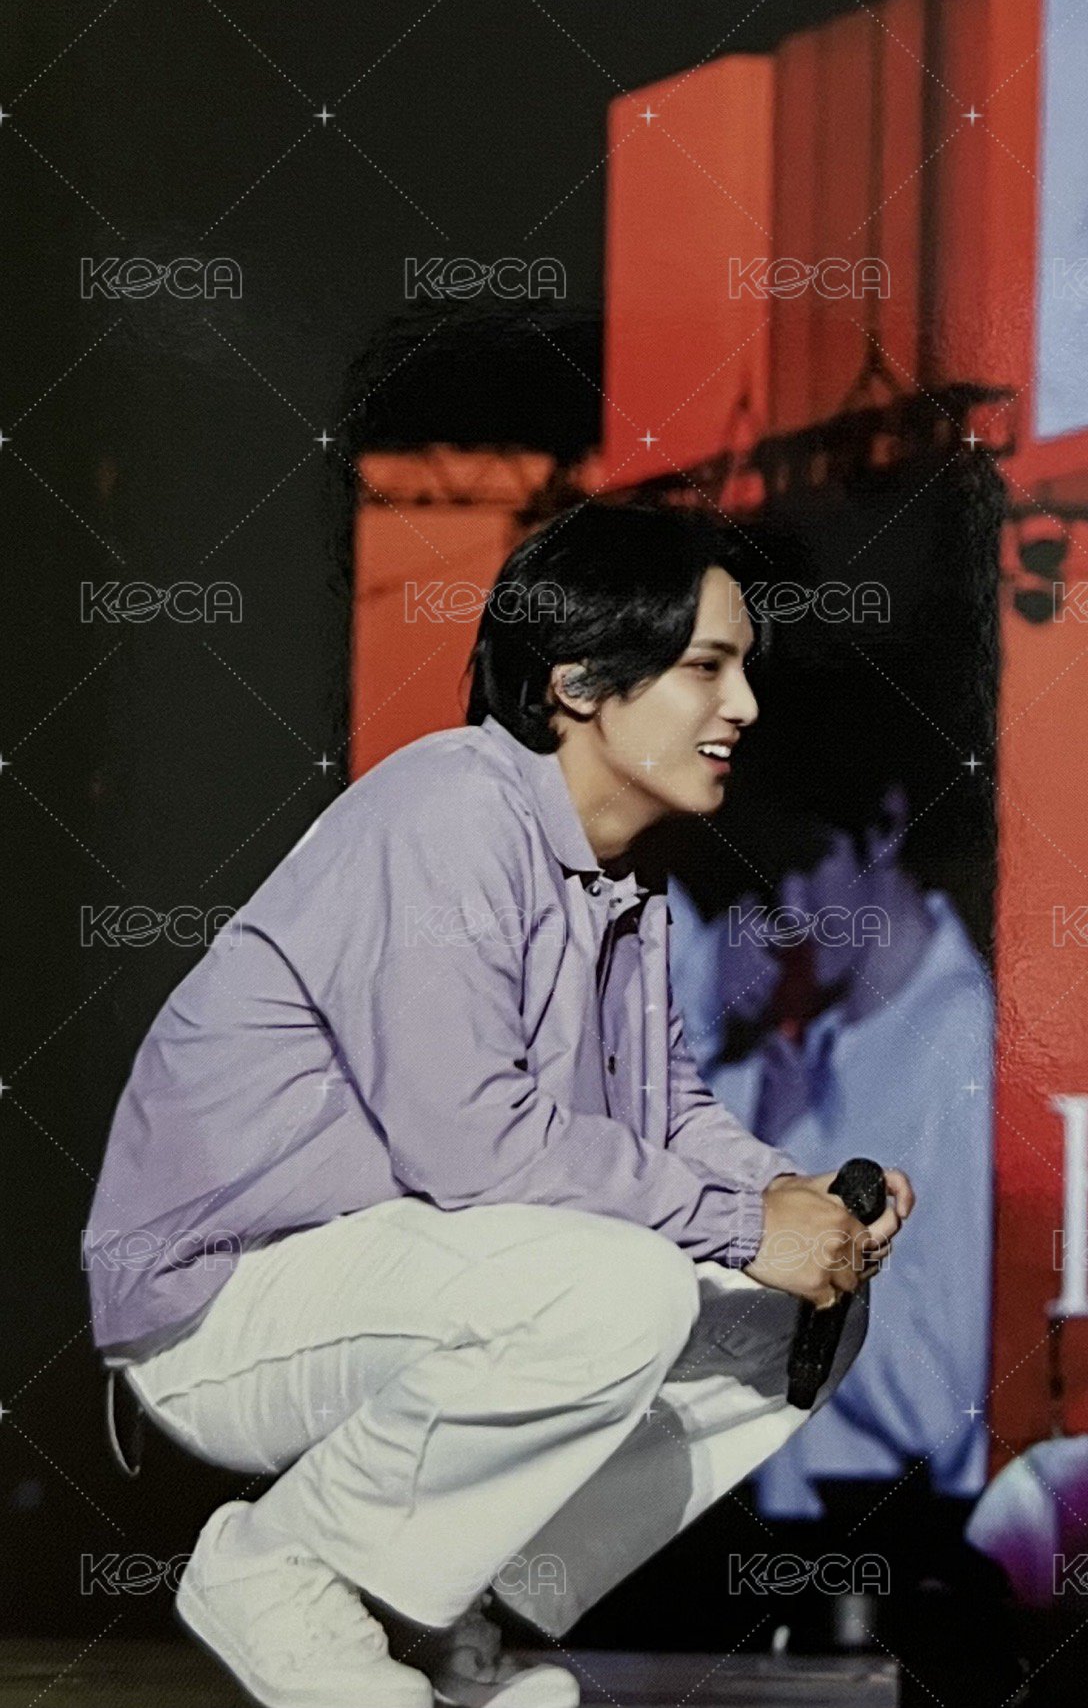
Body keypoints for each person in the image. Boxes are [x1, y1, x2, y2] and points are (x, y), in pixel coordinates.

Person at [84, 502, 914, 1708]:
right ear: (577, 684)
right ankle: (279, 1576)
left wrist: (799, 1203)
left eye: (742, 669)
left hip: (403, 1283)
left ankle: (440, 1616)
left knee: (798, 1313)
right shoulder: (451, 807)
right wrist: (745, 1224)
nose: (741, 704)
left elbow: (669, 1120)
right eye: (705, 667)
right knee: (621, 1288)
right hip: (222, 1307)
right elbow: (471, 1144)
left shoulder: (621, 881)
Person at [668, 789, 992, 1517]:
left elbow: (937, 1409)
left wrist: (794, 1167)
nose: (791, 907)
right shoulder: (793, 1044)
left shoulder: (962, 1046)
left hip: (894, 1543)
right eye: (773, 873)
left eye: (810, 864)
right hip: (767, 1536)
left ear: (886, 828)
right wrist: (705, 1016)